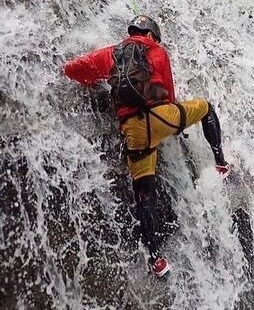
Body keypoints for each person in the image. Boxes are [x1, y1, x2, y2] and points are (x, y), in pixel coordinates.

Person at [64, 15, 231, 277]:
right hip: (161, 116)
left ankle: (156, 260)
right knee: (206, 108)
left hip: (132, 128)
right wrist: (174, 124)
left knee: (143, 193)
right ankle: (221, 164)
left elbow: (72, 70)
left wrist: (96, 82)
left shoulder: (112, 53)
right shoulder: (158, 51)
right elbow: (170, 93)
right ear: (152, 35)